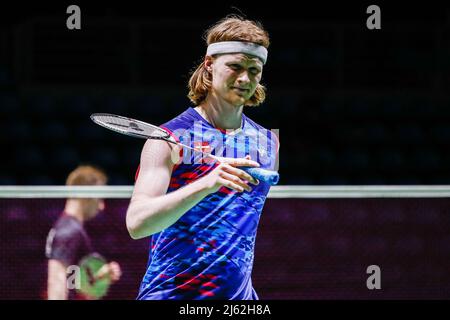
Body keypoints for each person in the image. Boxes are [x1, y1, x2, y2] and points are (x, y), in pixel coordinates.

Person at [126, 15, 279, 300]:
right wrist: (207, 183)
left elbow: (236, 231)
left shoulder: (267, 142)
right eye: (234, 67)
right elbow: (137, 223)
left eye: (254, 70)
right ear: (209, 64)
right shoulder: (168, 138)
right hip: (172, 294)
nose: (245, 78)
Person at [45, 165, 122, 300]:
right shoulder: (69, 230)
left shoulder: (70, 227)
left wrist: (100, 275)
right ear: (85, 193)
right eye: (99, 198)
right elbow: (56, 279)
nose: (101, 206)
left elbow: (73, 281)